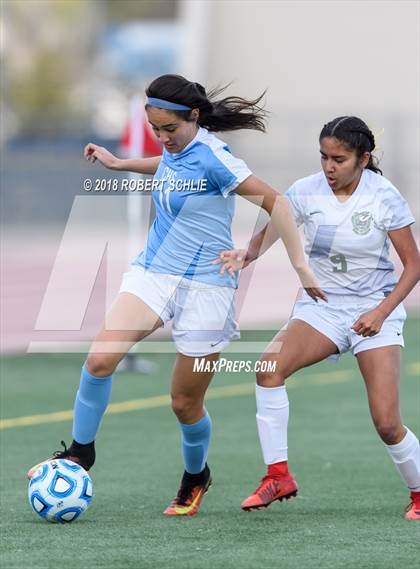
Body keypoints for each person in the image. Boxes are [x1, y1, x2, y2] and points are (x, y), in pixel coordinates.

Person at [27, 74, 324, 517]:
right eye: (156, 130)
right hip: (154, 273)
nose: (164, 139)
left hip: (208, 289)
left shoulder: (216, 158)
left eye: (171, 130)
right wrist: (120, 163)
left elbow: (277, 203)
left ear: (195, 118)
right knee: (99, 360)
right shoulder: (176, 150)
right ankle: (80, 452)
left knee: (184, 404)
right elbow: (168, 166)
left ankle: (195, 475)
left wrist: (298, 266)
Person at [215, 116, 420, 520]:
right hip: (322, 307)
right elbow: (275, 227)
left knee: (386, 423)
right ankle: (278, 475)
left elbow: (413, 266)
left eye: (339, 159)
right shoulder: (305, 191)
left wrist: (380, 312)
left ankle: (419, 491)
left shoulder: (384, 196)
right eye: (324, 157)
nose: (329, 167)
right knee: (268, 369)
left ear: (363, 159)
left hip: (376, 308)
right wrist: (247, 254)